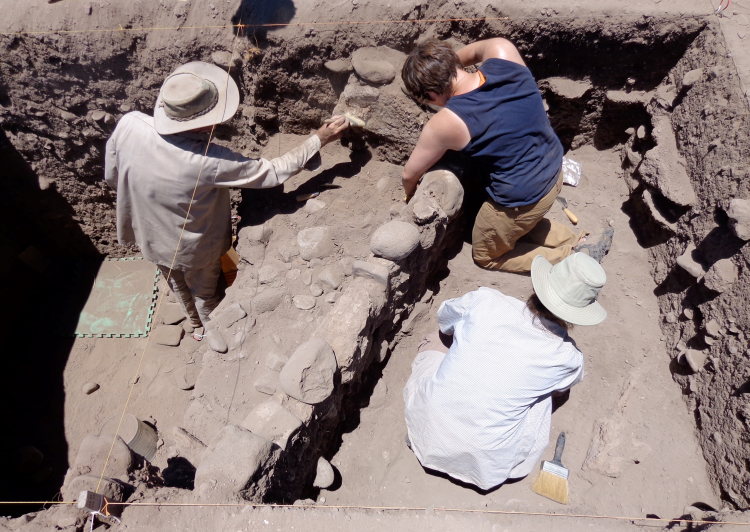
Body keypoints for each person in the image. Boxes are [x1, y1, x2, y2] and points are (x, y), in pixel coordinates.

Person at [105, 61, 348, 336]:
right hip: (195, 249)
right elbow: (271, 172)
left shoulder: (129, 124)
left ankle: (193, 323)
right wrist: (319, 138)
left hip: (147, 236)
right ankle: (209, 331)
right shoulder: (208, 160)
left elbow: (112, 177)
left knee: (175, 283)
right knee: (205, 293)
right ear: (202, 124)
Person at [400, 38, 612, 273]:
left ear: (430, 94)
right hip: (553, 170)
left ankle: (573, 257)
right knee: (515, 225)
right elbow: (475, 51)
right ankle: (578, 240)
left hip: (522, 198)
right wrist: (442, 66)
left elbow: (410, 175)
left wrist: (409, 195)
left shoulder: (447, 122)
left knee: (486, 255)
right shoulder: (502, 51)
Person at [402, 252, 607, 490]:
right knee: (543, 397)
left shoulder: (486, 300)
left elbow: (445, 319)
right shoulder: (569, 358)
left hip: (428, 426)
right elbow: (562, 390)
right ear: (580, 313)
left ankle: (428, 437)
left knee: (439, 340)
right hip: (485, 461)